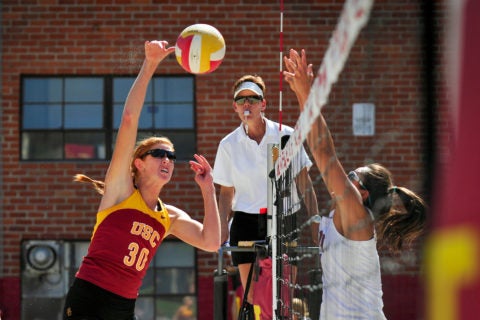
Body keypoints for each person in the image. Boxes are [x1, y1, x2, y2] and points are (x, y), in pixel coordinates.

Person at [62, 40, 221, 320]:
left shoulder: (168, 216)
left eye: (171, 156)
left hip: (124, 305)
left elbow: (211, 242)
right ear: (138, 162)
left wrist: (208, 190)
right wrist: (150, 64)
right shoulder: (121, 191)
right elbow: (128, 119)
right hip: (91, 296)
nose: (167, 160)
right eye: (159, 153)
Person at [283, 48, 426, 319]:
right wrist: (301, 178)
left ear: (361, 193)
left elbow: (325, 154)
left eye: (352, 176)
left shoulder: (359, 218)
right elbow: (316, 230)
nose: (346, 176)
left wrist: (306, 93)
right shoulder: (343, 220)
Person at [212, 74, 319, 315]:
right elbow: (226, 192)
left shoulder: (286, 135)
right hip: (246, 221)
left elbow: (305, 183)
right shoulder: (228, 144)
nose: (247, 104)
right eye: (241, 100)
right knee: (252, 293)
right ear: (235, 107)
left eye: (253, 98)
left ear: (264, 104)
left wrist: (315, 221)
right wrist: (221, 228)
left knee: (283, 295)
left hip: (284, 219)